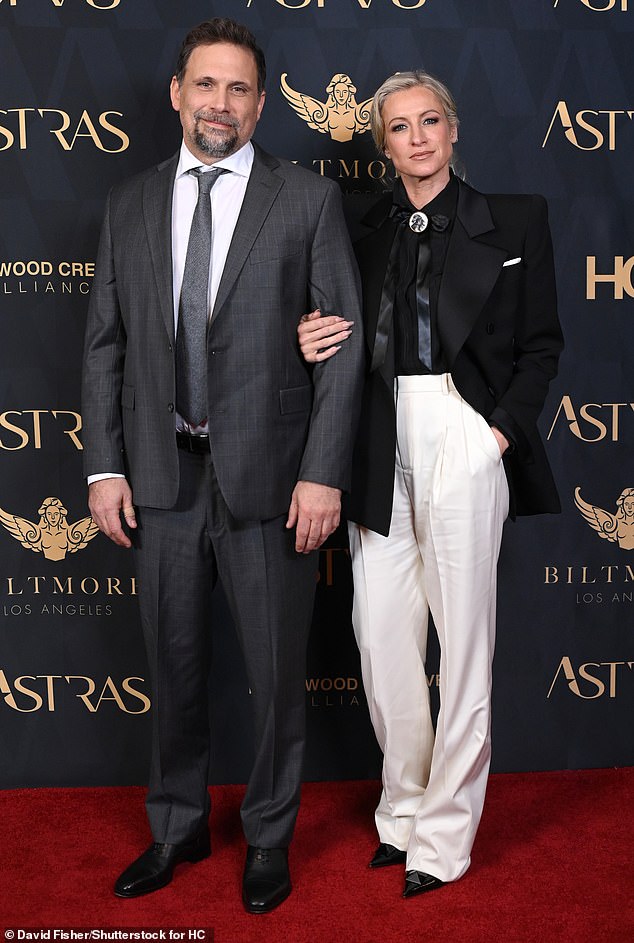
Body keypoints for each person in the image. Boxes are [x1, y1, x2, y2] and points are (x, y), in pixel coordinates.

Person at [81, 18, 363, 913]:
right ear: (176, 93)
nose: (220, 104)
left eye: (239, 88)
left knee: (278, 675)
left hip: (274, 482)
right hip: (160, 480)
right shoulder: (129, 203)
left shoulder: (306, 198)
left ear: (261, 101)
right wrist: (103, 467)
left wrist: (323, 473)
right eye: (206, 85)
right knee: (172, 668)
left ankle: (270, 838)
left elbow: (345, 343)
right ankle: (176, 826)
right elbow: (105, 348)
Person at [298, 71, 563, 897]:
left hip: (462, 427)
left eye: (430, 121)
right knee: (380, 640)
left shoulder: (513, 220)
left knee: (466, 648)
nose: (416, 137)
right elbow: (335, 327)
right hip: (379, 434)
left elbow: (542, 344)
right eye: (400, 127)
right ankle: (404, 809)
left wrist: (493, 434)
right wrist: (309, 337)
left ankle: (444, 838)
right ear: (383, 145)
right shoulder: (361, 226)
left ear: (453, 130)